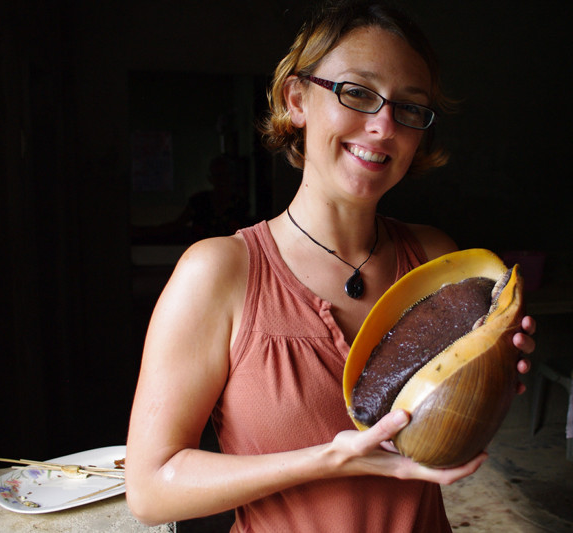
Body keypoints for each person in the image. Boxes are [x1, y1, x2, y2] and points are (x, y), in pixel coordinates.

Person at [125, 1, 536, 531]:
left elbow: (438, 445)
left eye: (410, 108)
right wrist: (330, 460)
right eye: (358, 93)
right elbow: (151, 488)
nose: (384, 126)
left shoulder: (438, 259)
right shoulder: (219, 272)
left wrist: (491, 378)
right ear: (296, 99)